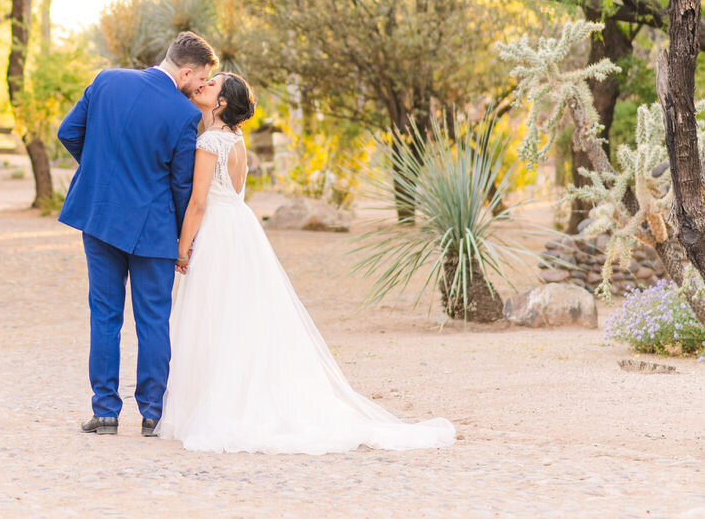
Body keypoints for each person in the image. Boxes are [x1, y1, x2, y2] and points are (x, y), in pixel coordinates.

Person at [158, 72, 456, 453]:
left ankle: (221, 403)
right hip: (242, 230)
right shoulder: (236, 140)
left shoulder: (210, 141)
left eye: (213, 84)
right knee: (242, 317)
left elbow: (199, 203)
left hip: (219, 231)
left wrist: (182, 250)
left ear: (220, 104)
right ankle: (242, 392)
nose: (205, 86)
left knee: (216, 315)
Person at [56, 31, 218, 437]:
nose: (200, 88)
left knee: (105, 315)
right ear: (185, 71)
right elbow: (182, 185)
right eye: (199, 80)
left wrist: (100, 171)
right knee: (153, 320)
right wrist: (186, 240)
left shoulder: (106, 80)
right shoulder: (184, 116)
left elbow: (68, 132)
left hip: (101, 217)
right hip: (154, 230)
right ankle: (152, 414)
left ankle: (106, 411)